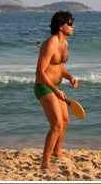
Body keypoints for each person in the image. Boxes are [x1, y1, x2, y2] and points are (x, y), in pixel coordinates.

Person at [34, 11, 78, 171]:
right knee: (57, 124)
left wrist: (70, 77)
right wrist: (55, 91)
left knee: (65, 120)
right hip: (44, 87)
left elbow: (58, 65)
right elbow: (40, 72)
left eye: (73, 22)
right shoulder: (50, 44)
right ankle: (44, 164)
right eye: (70, 23)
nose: (73, 26)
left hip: (56, 87)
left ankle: (57, 152)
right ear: (60, 26)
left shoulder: (64, 44)